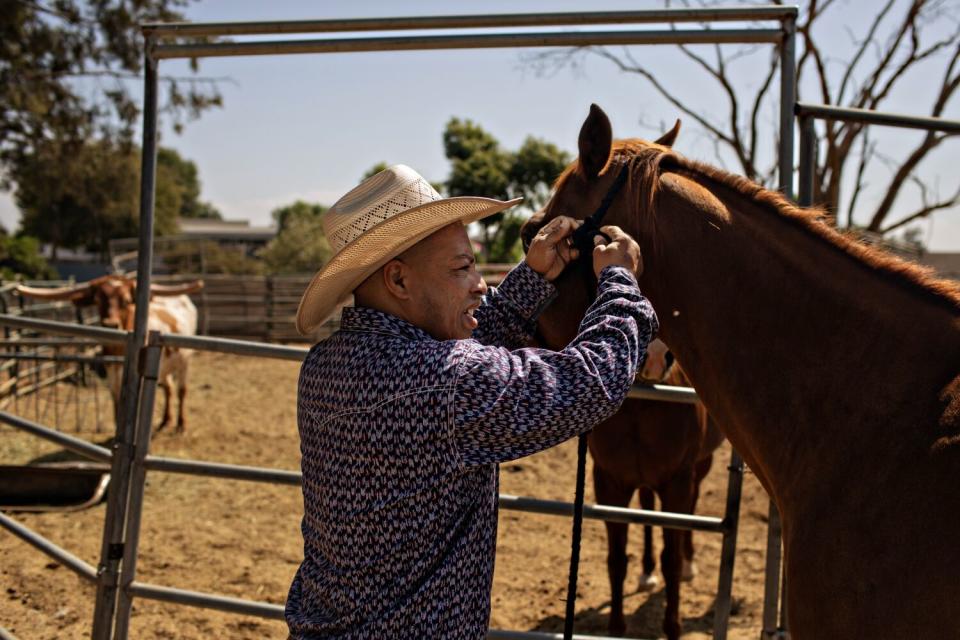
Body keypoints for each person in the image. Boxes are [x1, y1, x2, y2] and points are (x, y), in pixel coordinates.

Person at [287, 164, 658, 639]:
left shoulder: (323, 367)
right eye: (462, 268)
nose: (481, 283)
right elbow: (588, 383)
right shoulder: (446, 384)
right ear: (398, 281)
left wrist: (533, 278)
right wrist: (621, 284)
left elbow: (458, 365)